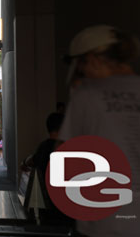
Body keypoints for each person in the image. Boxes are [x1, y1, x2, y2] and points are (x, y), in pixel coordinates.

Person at [58, 25, 140, 237]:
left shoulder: (87, 95)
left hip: (103, 220)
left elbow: (64, 163)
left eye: (79, 66)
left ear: (91, 59)